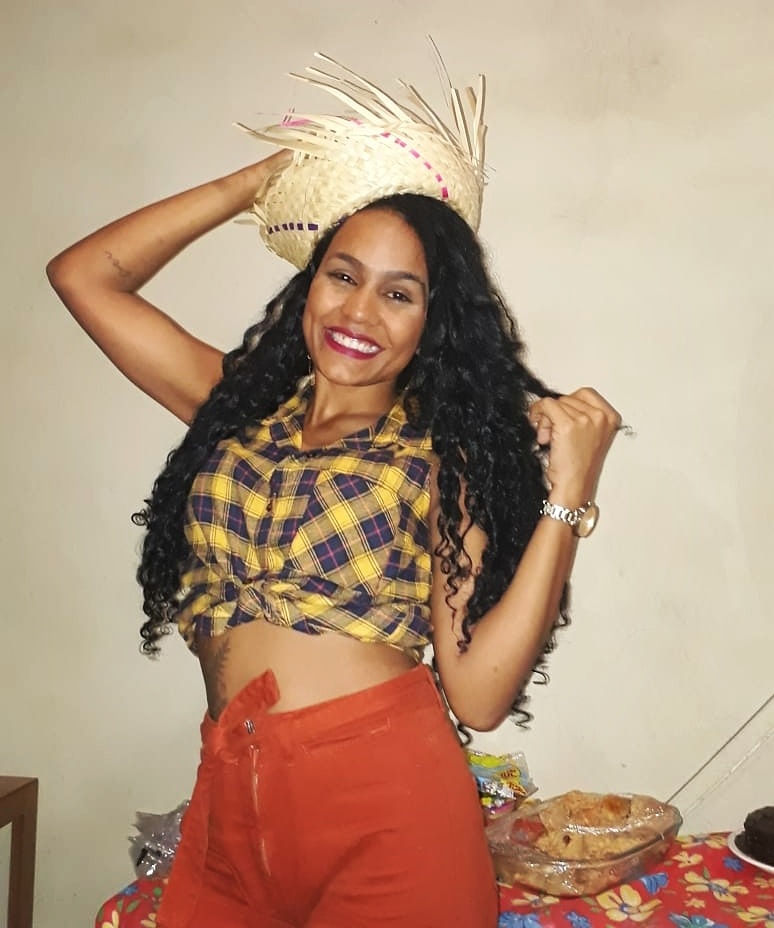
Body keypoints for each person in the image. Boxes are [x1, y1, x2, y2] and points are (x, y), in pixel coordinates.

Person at [47, 137, 620, 925]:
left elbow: (480, 695)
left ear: (433, 322)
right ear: (308, 282)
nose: (357, 312)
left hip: (386, 808)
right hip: (230, 799)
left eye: (398, 294)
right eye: (342, 275)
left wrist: (569, 496)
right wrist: (255, 184)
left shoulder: (440, 456)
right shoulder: (236, 408)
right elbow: (82, 276)